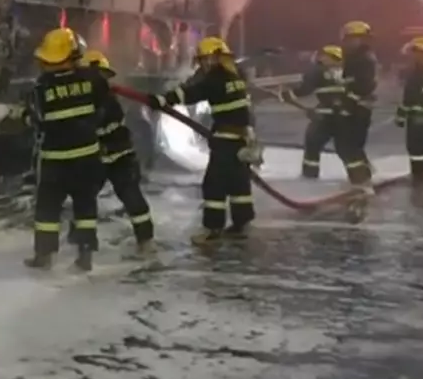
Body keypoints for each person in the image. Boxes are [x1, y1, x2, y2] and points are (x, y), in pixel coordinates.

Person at [148, 36, 259, 246]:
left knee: (214, 184)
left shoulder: (215, 78)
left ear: (214, 58)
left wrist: (162, 99)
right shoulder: (234, 76)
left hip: (226, 140)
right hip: (242, 139)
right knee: (238, 183)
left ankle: (212, 230)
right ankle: (241, 224)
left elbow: (191, 93)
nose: (203, 65)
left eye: (204, 60)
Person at [17, 27, 108, 271]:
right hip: (87, 158)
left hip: (55, 161)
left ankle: (44, 256)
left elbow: (36, 120)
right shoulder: (93, 80)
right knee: (85, 208)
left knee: (47, 209)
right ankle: (85, 256)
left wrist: (22, 116)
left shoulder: (41, 88)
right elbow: (103, 106)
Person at [79, 50, 156, 256]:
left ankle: (145, 240)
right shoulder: (100, 98)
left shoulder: (106, 101)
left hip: (114, 155)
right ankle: (80, 242)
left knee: (127, 196)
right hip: (102, 156)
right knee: (85, 198)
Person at [279, 45, 347, 179]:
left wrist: (287, 94)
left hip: (325, 116)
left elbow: (305, 89)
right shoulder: (346, 72)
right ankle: (362, 174)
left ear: (326, 57)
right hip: (345, 115)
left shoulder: (318, 71)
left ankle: (310, 174)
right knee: (348, 148)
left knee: (312, 144)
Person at [338, 21, 377, 189]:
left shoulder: (363, 59)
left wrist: (347, 97)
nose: (347, 43)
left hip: (357, 108)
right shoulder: (354, 57)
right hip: (354, 106)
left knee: (349, 145)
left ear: (361, 39)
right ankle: (363, 174)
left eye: (351, 39)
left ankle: (360, 179)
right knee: (350, 145)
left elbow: (364, 85)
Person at [396, 36, 423, 189]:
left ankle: (420, 180)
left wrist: (400, 117)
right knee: (417, 153)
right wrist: (401, 116)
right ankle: (420, 180)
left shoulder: (415, 74)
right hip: (417, 121)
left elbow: (409, 98)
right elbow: (408, 98)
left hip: (418, 122)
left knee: (417, 151)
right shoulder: (414, 72)